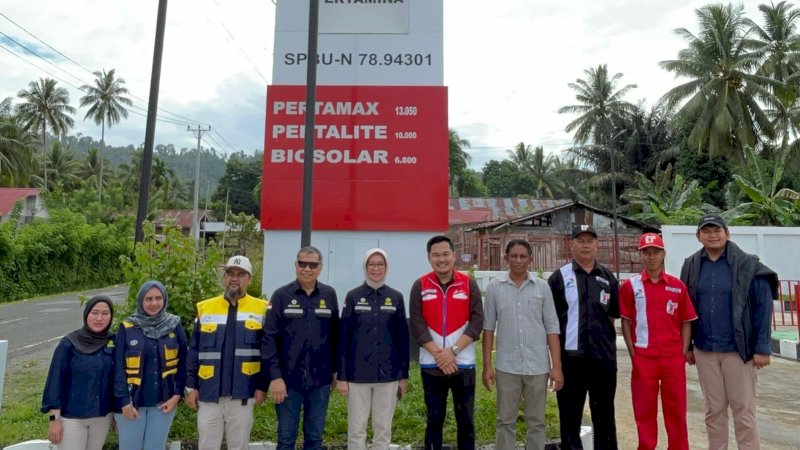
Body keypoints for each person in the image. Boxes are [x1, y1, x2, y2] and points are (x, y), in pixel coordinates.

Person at [680, 214, 778, 450]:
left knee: (743, 410)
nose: (713, 235)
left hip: (738, 349)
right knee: (713, 410)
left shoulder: (749, 265)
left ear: (727, 233)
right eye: (707, 231)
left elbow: (763, 308)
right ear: (698, 236)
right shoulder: (691, 265)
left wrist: (762, 348)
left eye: (717, 230)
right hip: (705, 350)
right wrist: (689, 346)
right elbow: (686, 308)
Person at [482, 239, 563, 450]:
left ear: (530, 260)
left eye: (523, 256)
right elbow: (488, 327)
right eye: (514, 256)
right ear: (506, 258)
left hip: (537, 366)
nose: (518, 260)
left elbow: (552, 327)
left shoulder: (542, 288)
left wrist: (556, 367)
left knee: (536, 422)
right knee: (505, 421)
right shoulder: (494, 288)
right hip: (506, 365)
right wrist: (487, 366)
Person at [620, 233, 697, 450]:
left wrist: (682, 352)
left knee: (676, 410)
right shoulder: (630, 286)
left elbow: (686, 321)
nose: (651, 256)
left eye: (656, 252)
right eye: (646, 252)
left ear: (663, 254)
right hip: (644, 358)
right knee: (644, 409)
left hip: (673, 358)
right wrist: (633, 353)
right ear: (640, 255)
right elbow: (626, 321)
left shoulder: (677, 286)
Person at [185, 255, 269, 450]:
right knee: (207, 445)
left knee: (239, 446)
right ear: (224, 277)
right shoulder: (205, 308)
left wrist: (262, 386)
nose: (234, 278)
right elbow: (194, 351)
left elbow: (267, 352)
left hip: (243, 393)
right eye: (230, 273)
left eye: (241, 274)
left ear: (250, 279)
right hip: (208, 393)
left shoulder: (262, 309)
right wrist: (190, 387)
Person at [547, 225, 620, 450]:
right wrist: (556, 365)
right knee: (570, 418)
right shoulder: (559, 278)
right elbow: (551, 324)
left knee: (605, 417)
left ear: (597, 245)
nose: (586, 244)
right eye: (581, 240)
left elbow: (614, 316)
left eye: (590, 240)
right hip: (571, 361)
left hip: (603, 361)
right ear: (572, 244)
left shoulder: (607, 277)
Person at [409, 235, 483, 450]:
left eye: (445, 254)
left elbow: (477, 321)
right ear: (429, 258)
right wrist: (439, 355)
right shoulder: (420, 285)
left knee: (466, 422)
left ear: (453, 255)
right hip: (431, 365)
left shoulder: (468, 283)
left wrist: (453, 351)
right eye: (436, 255)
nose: (441, 259)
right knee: (434, 421)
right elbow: (416, 323)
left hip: (464, 364)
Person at [263, 246, 339, 450]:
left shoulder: (329, 295)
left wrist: (335, 371)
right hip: (288, 382)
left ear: (320, 268)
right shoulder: (281, 296)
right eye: (303, 264)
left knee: (315, 439)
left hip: (320, 381)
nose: (307, 268)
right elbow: (269, 339)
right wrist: (275, 377)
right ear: (296, 266)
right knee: (286, 440)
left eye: (313, 265)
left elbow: (335, 336)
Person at [337, 248, 410, 450]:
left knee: (383, 428)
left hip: (388, 376)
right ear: (365, 267)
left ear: (386, 268)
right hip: (357, 375)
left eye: (380, 264)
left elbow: (402, 339)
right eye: (371, 264)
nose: (375, 268)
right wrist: (342, 376)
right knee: (356, 428)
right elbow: (343, 338)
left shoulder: (396, 297)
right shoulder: (353, 297)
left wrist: (403, 375)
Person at [114, 280, 187, 450]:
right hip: (132, 404)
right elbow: (118, 368)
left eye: (158, 298)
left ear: (164, 299)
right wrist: (124, 402)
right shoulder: (127, 327)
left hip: (163, 404)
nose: (154, 303)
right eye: (148, 299)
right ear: (141, 301)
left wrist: (177, 395)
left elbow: (184, 363)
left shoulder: (174, 325)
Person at [41, 295, 115, 450]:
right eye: (94, 312)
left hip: (102, 417)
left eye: (105, 313)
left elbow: (118, 381)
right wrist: (54, 420)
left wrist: (116, 414)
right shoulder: (68, 343)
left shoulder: (114, 342)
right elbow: (55, 382)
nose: (99, 318)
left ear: (111, 316)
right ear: (86, 314)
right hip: (71, 418)